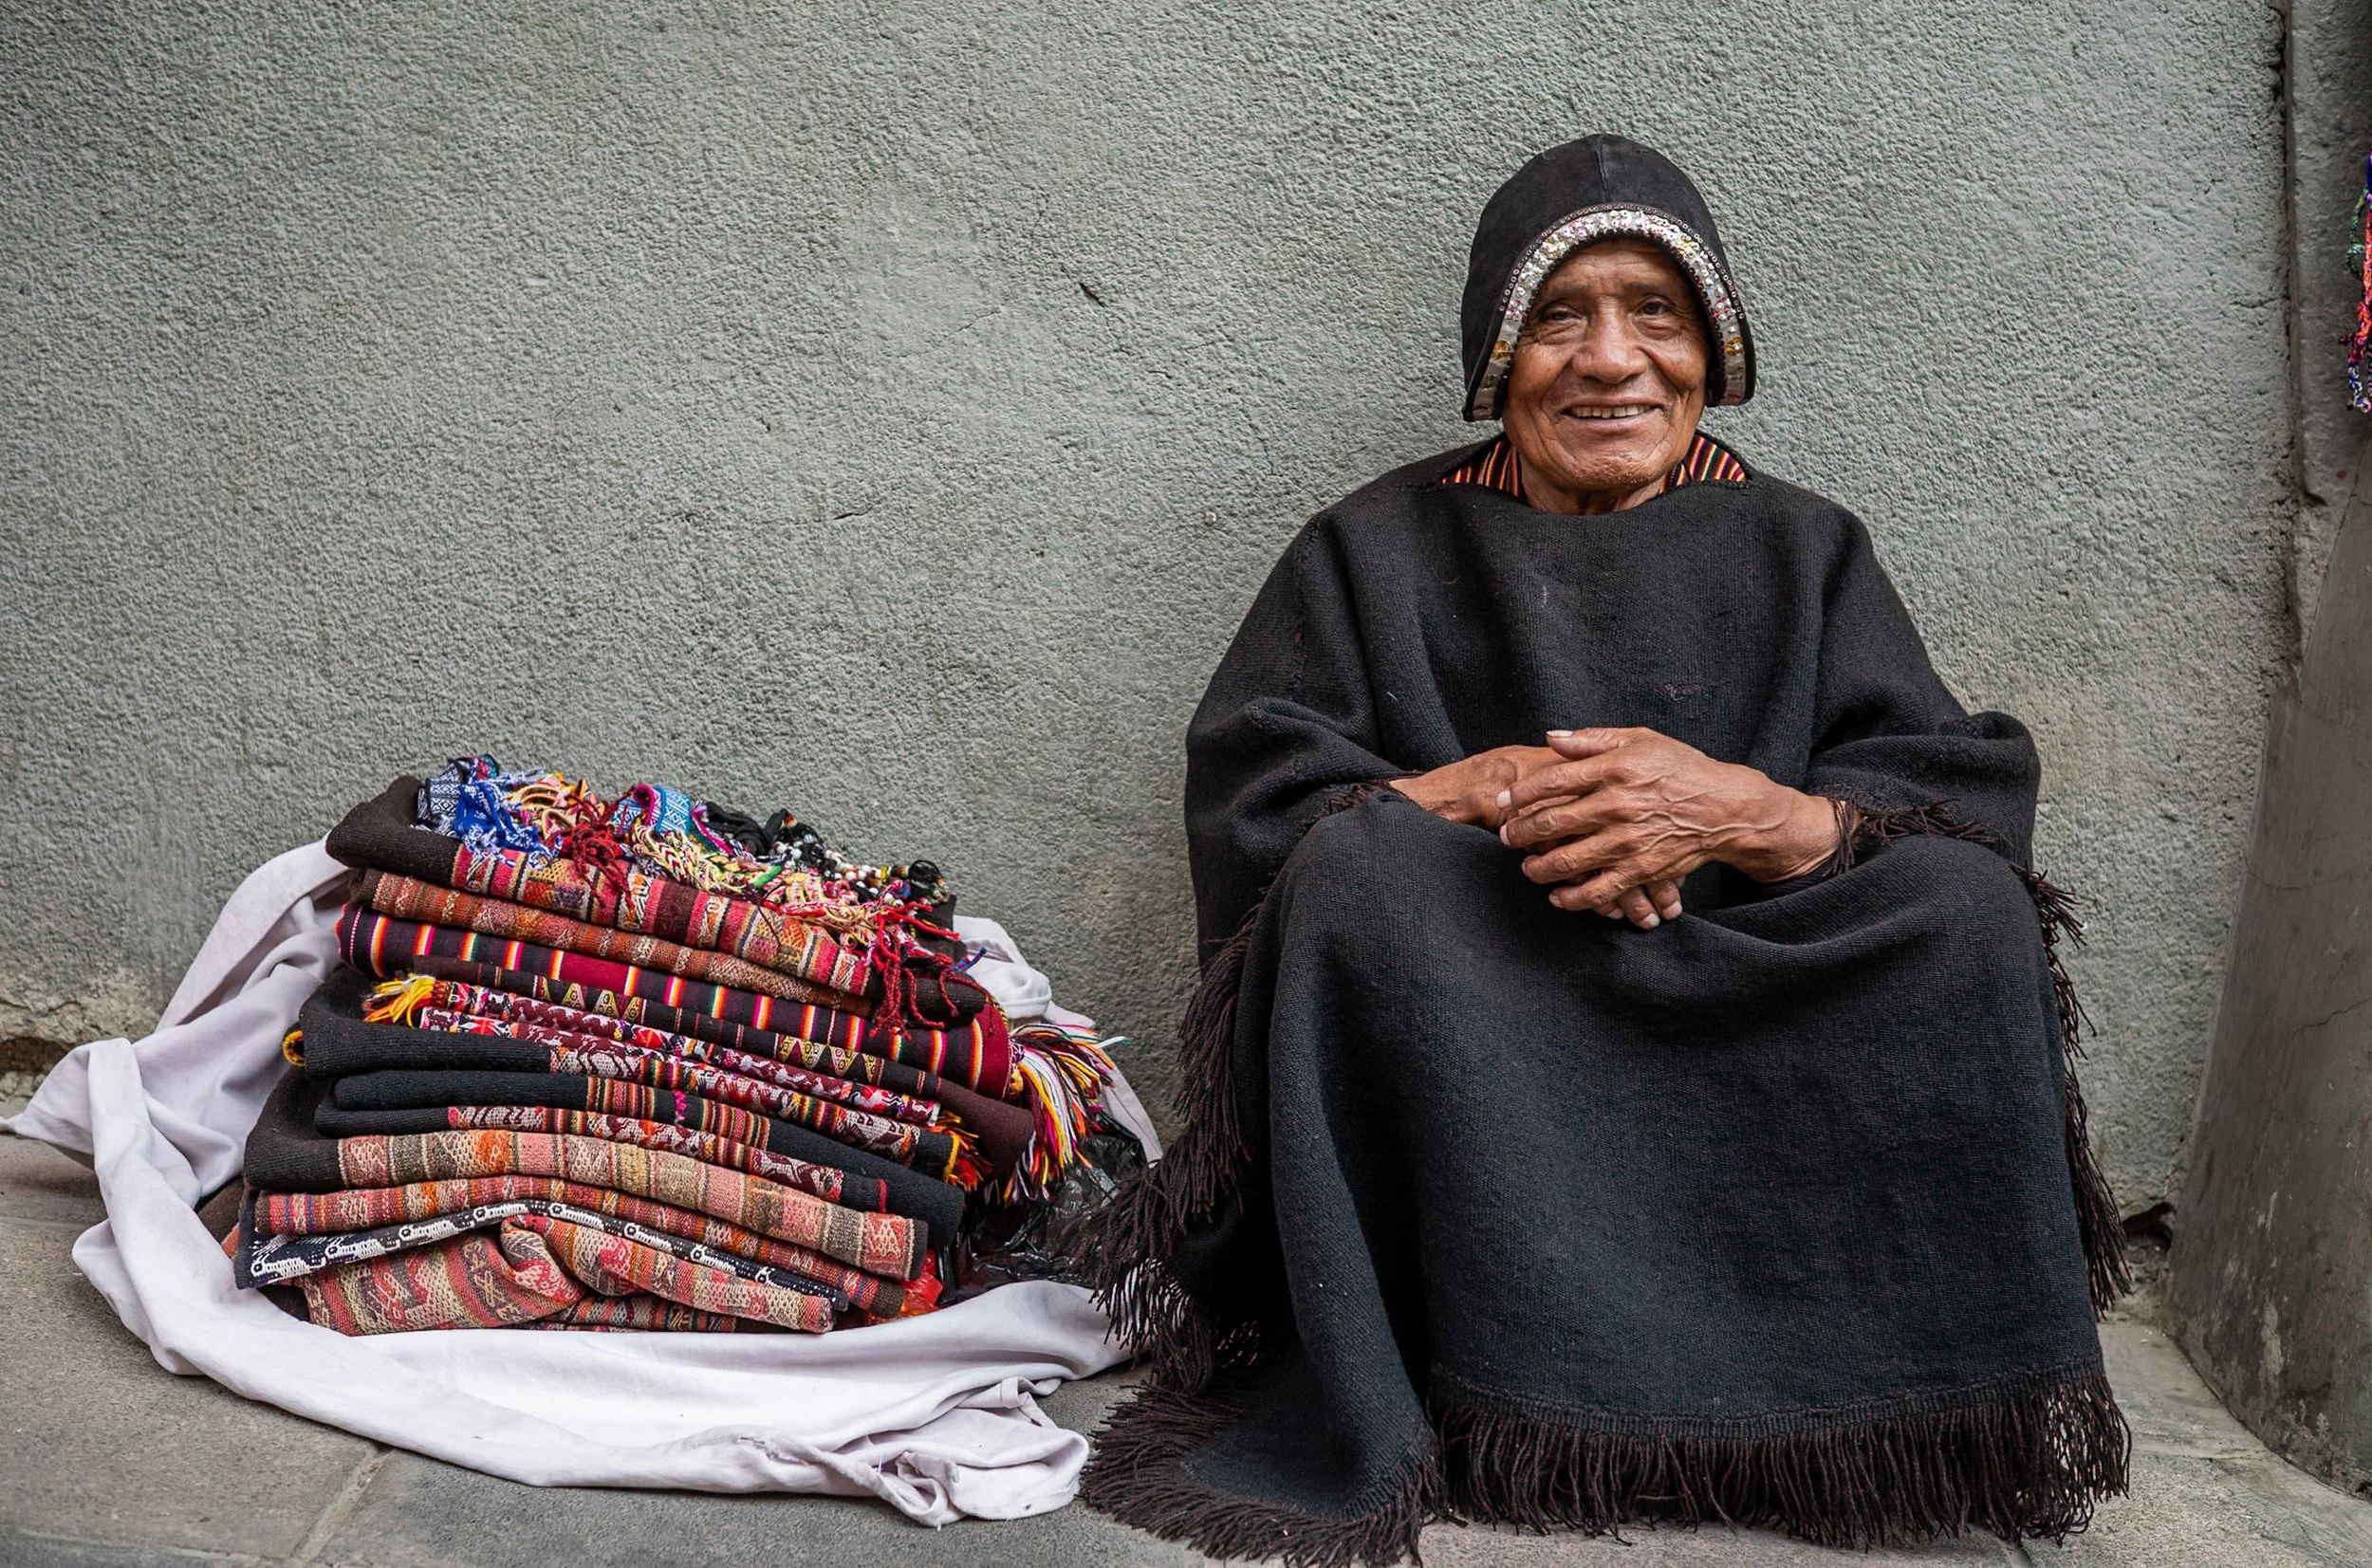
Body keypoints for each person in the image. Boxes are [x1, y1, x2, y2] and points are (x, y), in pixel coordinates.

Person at [1080, 135, 2129, 1566]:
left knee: (1961, 911)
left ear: (1717, 349)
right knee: (1356, 875)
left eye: (1657, 312)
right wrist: (1492, 791)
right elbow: (1262, 789)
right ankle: (1485, 1388)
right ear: (1497, 356)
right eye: (1560, 316)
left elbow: (1948, 787)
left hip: (1750, 970)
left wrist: (1736, 812)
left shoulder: (1803, 546)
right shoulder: (1372, 549)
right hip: (1495, 989)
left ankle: (1844, 1410)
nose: (1611, 359)